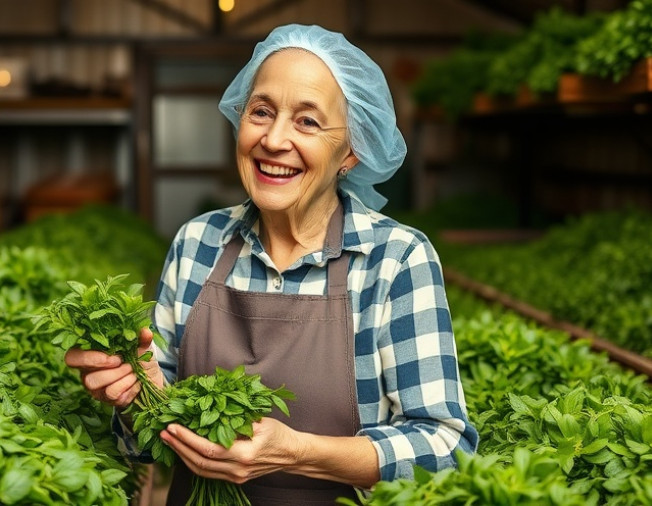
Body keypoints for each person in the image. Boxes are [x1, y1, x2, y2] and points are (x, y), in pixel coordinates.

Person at [65, 24, 478, 505]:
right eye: (261, 112)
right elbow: (143, 448)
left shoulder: (395, 260)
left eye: (307, 121)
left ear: (351, 151)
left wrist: (297, 452)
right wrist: (138, 397)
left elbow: (446, 446)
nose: (274, 139)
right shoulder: (197, 243)